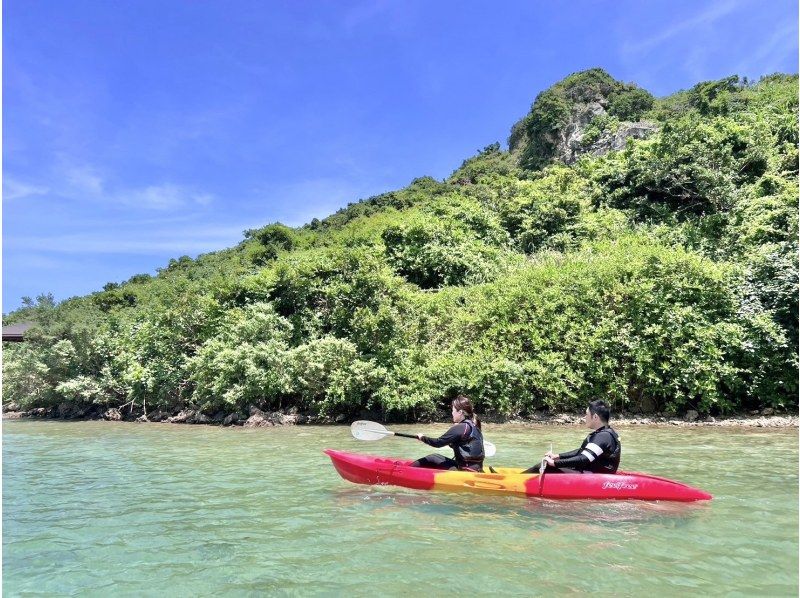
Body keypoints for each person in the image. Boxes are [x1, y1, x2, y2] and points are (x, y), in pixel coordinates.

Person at [523, 399, 621, 474]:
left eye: (586, 414)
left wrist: (554, 463)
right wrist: (558, 456)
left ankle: (517, 481)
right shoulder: (605, 433)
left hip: (594, 477)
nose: (584, 417)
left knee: (545, 466)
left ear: (595, 417)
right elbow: (582, 452)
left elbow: (584, 459)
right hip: (591, 473)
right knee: (551, 464)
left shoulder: (603, 436)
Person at [410, 395, 485, 472]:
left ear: (460, 412)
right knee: (436, 457)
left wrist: (422, 438)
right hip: (477, 469)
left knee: (432, 457)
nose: (452, 413)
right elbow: (464, 447)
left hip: (465, 470)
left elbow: (438, 443)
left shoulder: (461, 427)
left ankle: (407, 471)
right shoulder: (475, 426)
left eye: (453, 410)